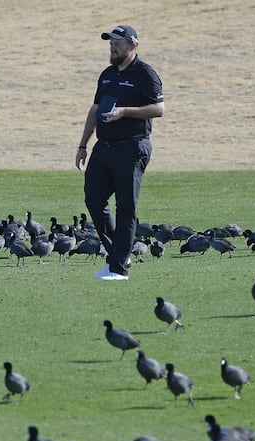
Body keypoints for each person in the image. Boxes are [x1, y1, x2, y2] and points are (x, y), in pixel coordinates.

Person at [75, 25, 164, 281]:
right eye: (111, 43)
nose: (112, 47)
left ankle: (118, 267)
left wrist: (125, 111)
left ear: (132, 45)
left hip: (132, 147)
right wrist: (82, 145)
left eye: (118, 42)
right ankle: (118, 254)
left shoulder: (144, 73)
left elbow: (159, 109)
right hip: (103, 149)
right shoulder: (107, 74)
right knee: (93, 198)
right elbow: (94, 111)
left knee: (126, 206)